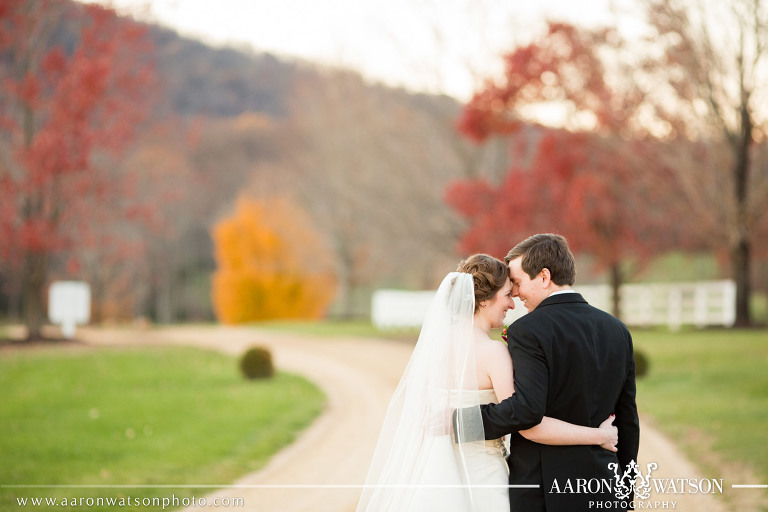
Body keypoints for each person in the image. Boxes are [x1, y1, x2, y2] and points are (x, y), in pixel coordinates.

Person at [356, 253, 618, 512]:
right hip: (484, 477)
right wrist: (599, 435)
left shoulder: (434, 348)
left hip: (434, 475)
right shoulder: (492, 353)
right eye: (506, 295)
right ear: (483, 301)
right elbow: (527, 422)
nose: (512, 304)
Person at [479, 234, 640, 511]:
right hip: (605, 486)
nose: (515, 294)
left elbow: (527, 410)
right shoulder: (617, 330)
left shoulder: (528, 331)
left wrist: (464, 420)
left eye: (517, 283)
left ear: (544, 276)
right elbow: (627, 420)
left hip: (544, 492)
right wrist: (624, 494)